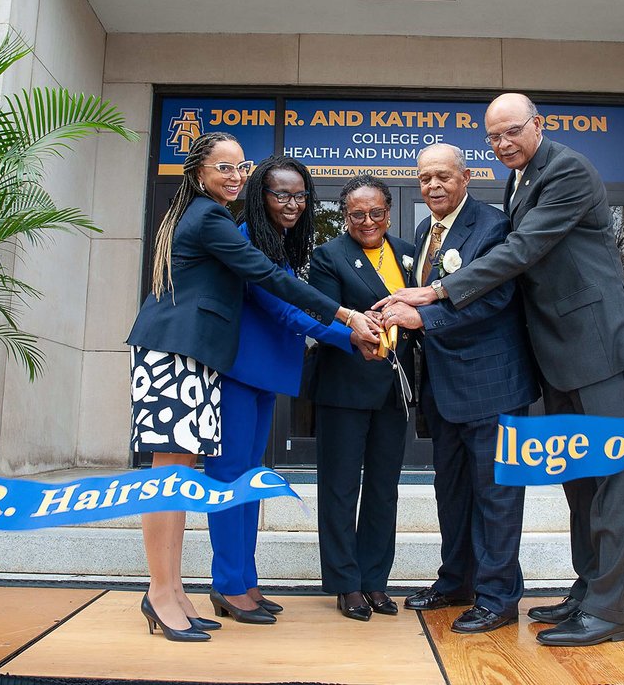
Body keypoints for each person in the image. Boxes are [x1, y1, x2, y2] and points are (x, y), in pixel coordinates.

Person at [379, 94, 624, 647]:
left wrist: (439, 290)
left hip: (600, 345)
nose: (503, 144)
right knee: (580, 481)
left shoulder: (567, 169)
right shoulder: (519, 179)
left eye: (512, 133)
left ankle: (610, 613)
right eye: (494, 137)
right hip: (560, 354)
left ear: (537, 126)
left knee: (612, 482)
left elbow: (525, 248)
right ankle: (588, 588)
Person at [126, 133, 378, 642]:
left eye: (241, 167)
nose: (236, 176)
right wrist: (346, 319)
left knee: (192, 480)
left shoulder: (207, 216)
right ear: (198, 171)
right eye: (226, 167)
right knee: (178, 481)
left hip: (198, 356)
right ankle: (180, 590)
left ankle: (176, 592)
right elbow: (272, 288)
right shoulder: (217, 220)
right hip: (183, 353)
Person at [383, 144, 539, 634]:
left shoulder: (492, 227)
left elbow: (494, 298)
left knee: (496, 495)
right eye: (425, 177)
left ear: (466, 177)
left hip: (492, 384)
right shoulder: (425, 233)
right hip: (443, 390)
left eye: (443, 176)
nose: (432, 186)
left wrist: (420, 317)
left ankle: (497, 596)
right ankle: (456, 581)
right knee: (450, 492)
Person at [206, 155, 367, 623]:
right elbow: (284, 311)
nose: (293, 203)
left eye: (300, 195)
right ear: (260, 195)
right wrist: (350, 333)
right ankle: (228, 584)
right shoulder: (246, 239)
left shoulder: (276, 242)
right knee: (228, 482)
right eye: (281, 194)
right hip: (236, 374)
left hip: (261, 376)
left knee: (249, 480)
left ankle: (246, 582)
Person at [307, 174, 416, 622]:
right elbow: (323, 314)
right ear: (344, 215)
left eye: (375, 213)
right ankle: (346, 584)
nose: (367, 221)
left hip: (395, 390)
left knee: (383, 489)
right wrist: (355, 332)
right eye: (357, 214)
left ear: (388, 213)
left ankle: (374, 580)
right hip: (345, 387)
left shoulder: (409, 253)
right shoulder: (328, 256)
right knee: (339, 487)